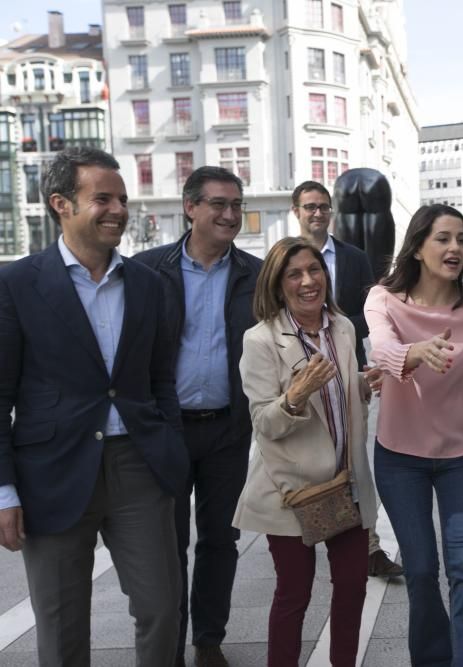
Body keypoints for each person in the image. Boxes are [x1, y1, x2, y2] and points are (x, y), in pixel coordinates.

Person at [0, 147, 188, 665]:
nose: (119, 209)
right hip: (52, 472)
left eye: (123, 199)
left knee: (162, 608)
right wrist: (4, 490)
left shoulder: (149, 283)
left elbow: (159, 377)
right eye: (102, 198)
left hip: (139, 466)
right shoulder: (17, 284)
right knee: (61, 627)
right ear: (61, 203)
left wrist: (168, 446)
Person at [363, 204, 463, 666]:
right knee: (419, 570)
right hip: (399, 460)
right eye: (443, 238)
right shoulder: (384, 299)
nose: (456, 248)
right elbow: (382, 348)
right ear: (416, 246)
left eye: (462, 239)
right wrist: (412, 353)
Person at [134, 166, 262, 667]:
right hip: (166, 430)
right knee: (167, 544)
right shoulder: (146, 270)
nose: (230, 214)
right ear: (190, 208)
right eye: (218, 204)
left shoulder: (255, 275)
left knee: (220, 539)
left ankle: (208, 638)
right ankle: (169, 640)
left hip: (229, 429)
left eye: (236, 205)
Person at [234, 237, 379, 666]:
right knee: (294, 593)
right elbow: (264, 423)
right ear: (278, 286)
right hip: (293, 490)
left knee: (353, 586)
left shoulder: (344, 327)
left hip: (345, 481)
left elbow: (344, 400)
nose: (307, 281)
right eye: (294, 274)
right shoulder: (260, 341)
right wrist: (294, 397)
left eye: (314, 270)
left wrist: (363, 386)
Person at [291, 179, 402, 578]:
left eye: (323, 206)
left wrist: (330, 325)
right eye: (309, 207)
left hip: (349, 374)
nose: (317, 213)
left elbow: (370, 315)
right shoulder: (285, 258)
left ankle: (369, 546)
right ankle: (302, 540)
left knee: (355, 463)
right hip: (298, 378)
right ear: (296, 212)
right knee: (305, 462)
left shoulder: (354, 258)